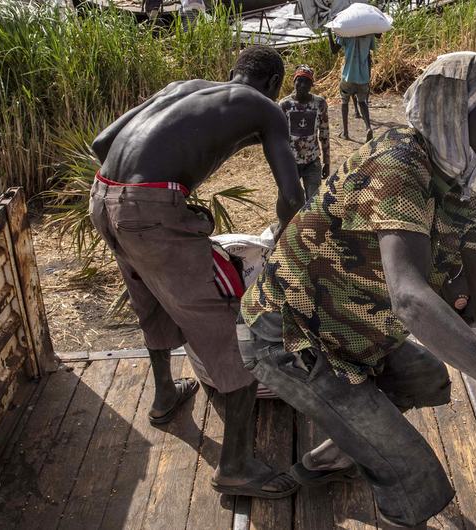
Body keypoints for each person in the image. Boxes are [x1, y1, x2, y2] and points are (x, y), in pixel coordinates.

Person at [240, 52, 476, 528]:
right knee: (416, 481)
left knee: (426, 379)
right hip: (290, 335)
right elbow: (409, 299)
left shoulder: (467, 186)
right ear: (451, 113)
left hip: (355, 332)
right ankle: (373, 458)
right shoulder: (399, 163)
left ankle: (337, 454)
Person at [88, 45, 305, 498]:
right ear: (273, 85)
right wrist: (290, 243)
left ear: (231, 73)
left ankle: (166, 397)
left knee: (152, 298)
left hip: (103, 197)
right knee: (230, 329)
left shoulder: (181, 87)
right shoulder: (266, 108)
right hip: (148, 210)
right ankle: (237, 466)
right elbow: (291, 195)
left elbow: (101, 145)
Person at [279, 65, 331, 201]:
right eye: (299, 80)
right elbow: (279, 138)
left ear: (312, 85)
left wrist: (327, 161)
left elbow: (324, 134)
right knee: (289, 200)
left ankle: (310, 223)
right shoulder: (285, 105)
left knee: (313, 201)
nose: (302, 85)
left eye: (307, 82)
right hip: (291, 163)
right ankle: (285, 222)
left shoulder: (320, 104)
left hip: (312, 162)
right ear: (294, 81)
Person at [330, 32, 376, 141]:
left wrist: (329, 33)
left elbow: (334, 50)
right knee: (362, 102)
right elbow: (370, 53)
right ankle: (368, 127)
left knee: (344, 102)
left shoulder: (346, 32)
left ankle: (346, 132)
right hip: (363, 76)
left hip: (348, 76)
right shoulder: (369, 34)